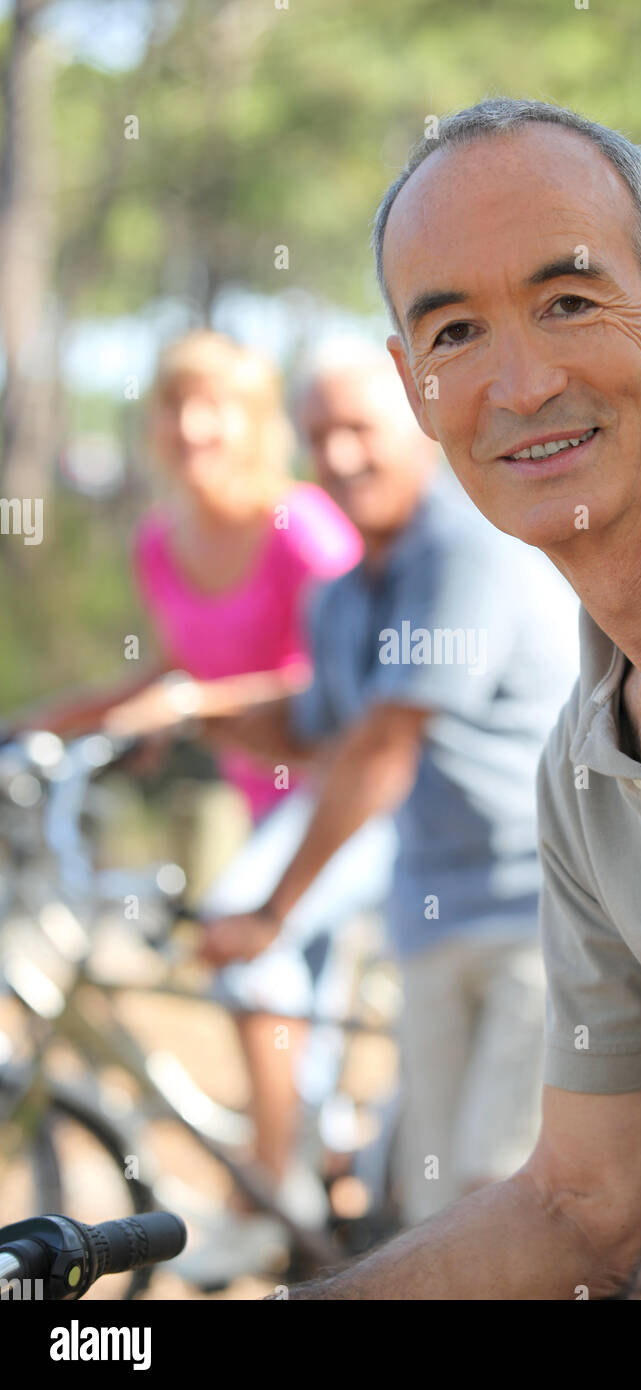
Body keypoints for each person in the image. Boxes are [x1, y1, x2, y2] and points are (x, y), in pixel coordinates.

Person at [267, 97, 641, 1301]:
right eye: (453, 334)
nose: (520, 381)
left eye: (569, 301)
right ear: (417, 389)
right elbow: (579, 1204)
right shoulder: (581, 768)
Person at [14, 330, 378, 1281]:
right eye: (174, 404)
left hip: (348, 790)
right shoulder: (158, 544)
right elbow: (179, 667)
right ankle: (317, 1190)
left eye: (214, 403)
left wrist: (196, 707)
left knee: (253, 959)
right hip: (262, 799)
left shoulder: (301, 528)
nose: (190, 424)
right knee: (286, 996)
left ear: (255, 422)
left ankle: (271, 1194)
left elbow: (348, 678)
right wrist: (46, 720)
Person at [200, 338, 582, 1232]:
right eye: (319, 436)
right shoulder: (338, 597)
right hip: (430, 921)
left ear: (417, 426)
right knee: (435, 1207)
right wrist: (194, 716)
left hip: (546, 916)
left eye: (360, 430)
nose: (339, 456)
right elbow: (312, 727)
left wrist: (270, 913)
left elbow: (379, 746)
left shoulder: (468, 549)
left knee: (502, 1194)